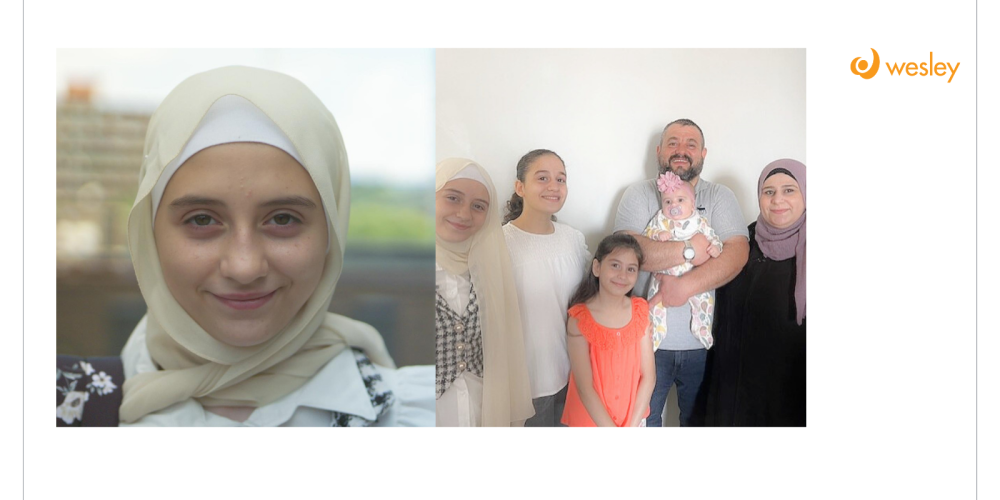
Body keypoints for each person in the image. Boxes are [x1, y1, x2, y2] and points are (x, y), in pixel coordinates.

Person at [56, 66, 434, 427]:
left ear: (330, 234)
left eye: (283, 219)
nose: (244, 266)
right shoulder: (68, 407)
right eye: (202, 220)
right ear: (149, 234)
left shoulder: (418, 415)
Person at [613, 118, 749, 427]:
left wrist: (684, 287)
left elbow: (737, 253)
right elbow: (625, 251)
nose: (681, 150)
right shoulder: (637, 194)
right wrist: (689, 250)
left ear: (703, 154)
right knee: (642, 423)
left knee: (698, 424)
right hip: (645, 342)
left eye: (691, 144)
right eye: (673, 142)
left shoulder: (720, 197)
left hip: (704, 346)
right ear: (659, 151)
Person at [704, 159, 807, 426]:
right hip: (730, 389)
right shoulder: (742, 241)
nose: (777, 200)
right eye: (769, 191)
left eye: (789, 190)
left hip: (788, 397)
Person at [435, 157, 534, 426]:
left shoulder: (491, 269)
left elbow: (506, 349)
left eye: (478, 206)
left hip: (482, 410)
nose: (464, 214)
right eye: (453, 198)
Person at [501, 149, 590, 427]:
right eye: (542, 178)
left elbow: (591, 301)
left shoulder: (574, 239)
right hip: (526, 387)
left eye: (561, 179)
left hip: (574, 380)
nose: (554, 186)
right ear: (520, 188)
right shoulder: (500, 243)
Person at [561, 234, 656, 427]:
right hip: (590, 422)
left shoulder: (640, 311)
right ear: (597, 267)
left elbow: (649, 376)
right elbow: (585, 387)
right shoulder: (580, 318)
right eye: (615, 265)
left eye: (631, 269)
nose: (623, 275)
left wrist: (631, 426)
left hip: (632, 420)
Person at [643, 170, 724, 351]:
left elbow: (713, 237)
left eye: (681, 200)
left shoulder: (699, 222)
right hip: (663, 273)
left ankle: (701, 329)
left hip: (694, 275)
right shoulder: (661, 219)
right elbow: (646, 237)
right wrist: (658, 234)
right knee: (654, 305)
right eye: (668, 201)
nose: (674, 205)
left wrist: (716, 247)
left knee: (704, 301)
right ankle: (655, 336)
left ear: (692, 204)